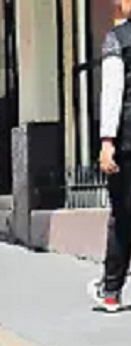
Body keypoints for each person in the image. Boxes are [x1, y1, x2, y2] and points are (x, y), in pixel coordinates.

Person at [91, 0, 131, 313]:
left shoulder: (118, 39)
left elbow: (113, 94)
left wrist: (107, 142)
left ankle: (111, 290)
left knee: (122, 217)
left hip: (127, 142)